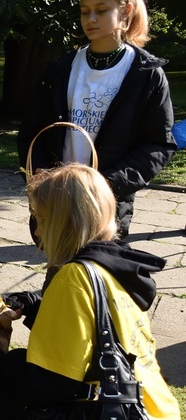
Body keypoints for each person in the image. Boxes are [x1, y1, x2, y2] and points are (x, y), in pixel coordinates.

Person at [0, 165, 179, 420]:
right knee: (15, 371)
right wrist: (32, 302)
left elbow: (49, 388)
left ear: (61, 222)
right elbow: (89, 325)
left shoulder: (72, 279)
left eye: (40, 218)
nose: (36, 229)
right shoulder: (113, 265)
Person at [18, 0, 177, 240]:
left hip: (105, 207)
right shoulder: (59, 69)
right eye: (84, 11)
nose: (90, 19)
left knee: (96, 273)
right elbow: (31, 131)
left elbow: (158, 145)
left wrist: (106, 184)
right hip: (56, 203)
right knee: (60, 272)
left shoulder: (146, 75)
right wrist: (39, 174)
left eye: (101, 10)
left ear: (126, 12)